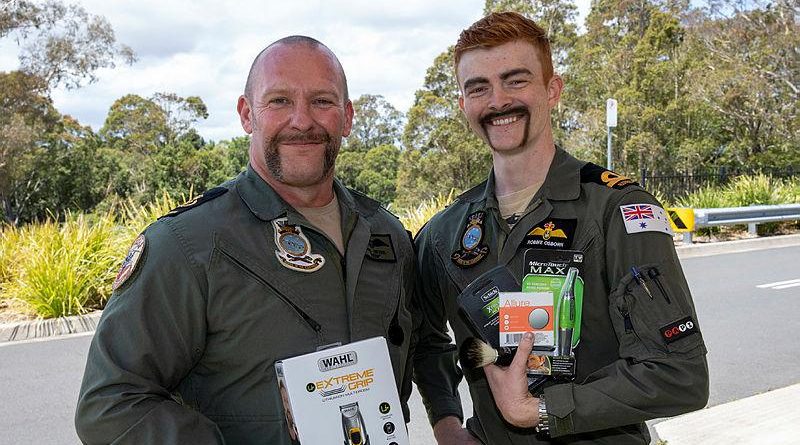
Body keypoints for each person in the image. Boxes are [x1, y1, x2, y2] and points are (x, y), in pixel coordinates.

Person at [75, 36, 415, 445]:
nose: (303, 121)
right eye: (280, 101)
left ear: (346, 118)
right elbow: (109, 405)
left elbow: (418, 353)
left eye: (322, 101)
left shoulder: (387, 235)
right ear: (246, 114)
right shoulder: (186, 245)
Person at [413, 12, 709, 445]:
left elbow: (680, 375)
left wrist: (541, 411)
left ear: (552, 90)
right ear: (463, 104)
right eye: (478, 87)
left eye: (516, 80)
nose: (497, 101)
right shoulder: (445, 233)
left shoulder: (617, 210)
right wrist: (446, 422)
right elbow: (424, 337)